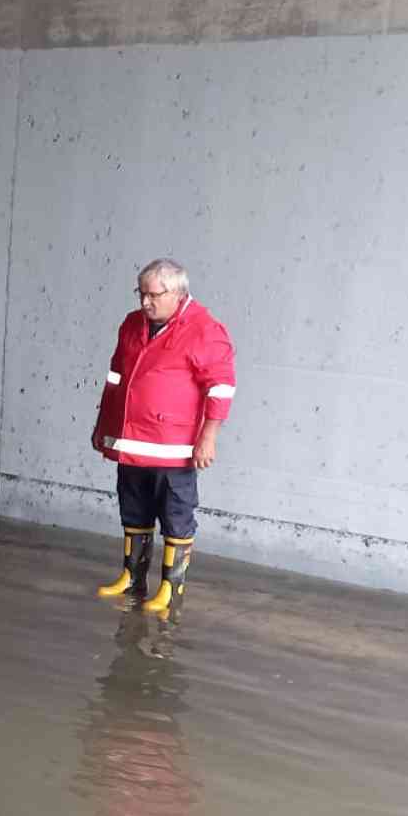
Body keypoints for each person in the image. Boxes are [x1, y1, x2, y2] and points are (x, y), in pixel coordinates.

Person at [90, 258, 237, 613]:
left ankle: (171, 587)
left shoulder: (204, 330)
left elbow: (220, 387)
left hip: (173, 449)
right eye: (141, 294)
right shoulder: (131, 324)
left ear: (177, 293)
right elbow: (116, 379)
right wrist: (104, 428)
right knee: (134, 510)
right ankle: (132, 577)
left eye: (152, 295)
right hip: (130, 442)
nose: (144, 302)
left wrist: (208, 436)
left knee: (176, 514)